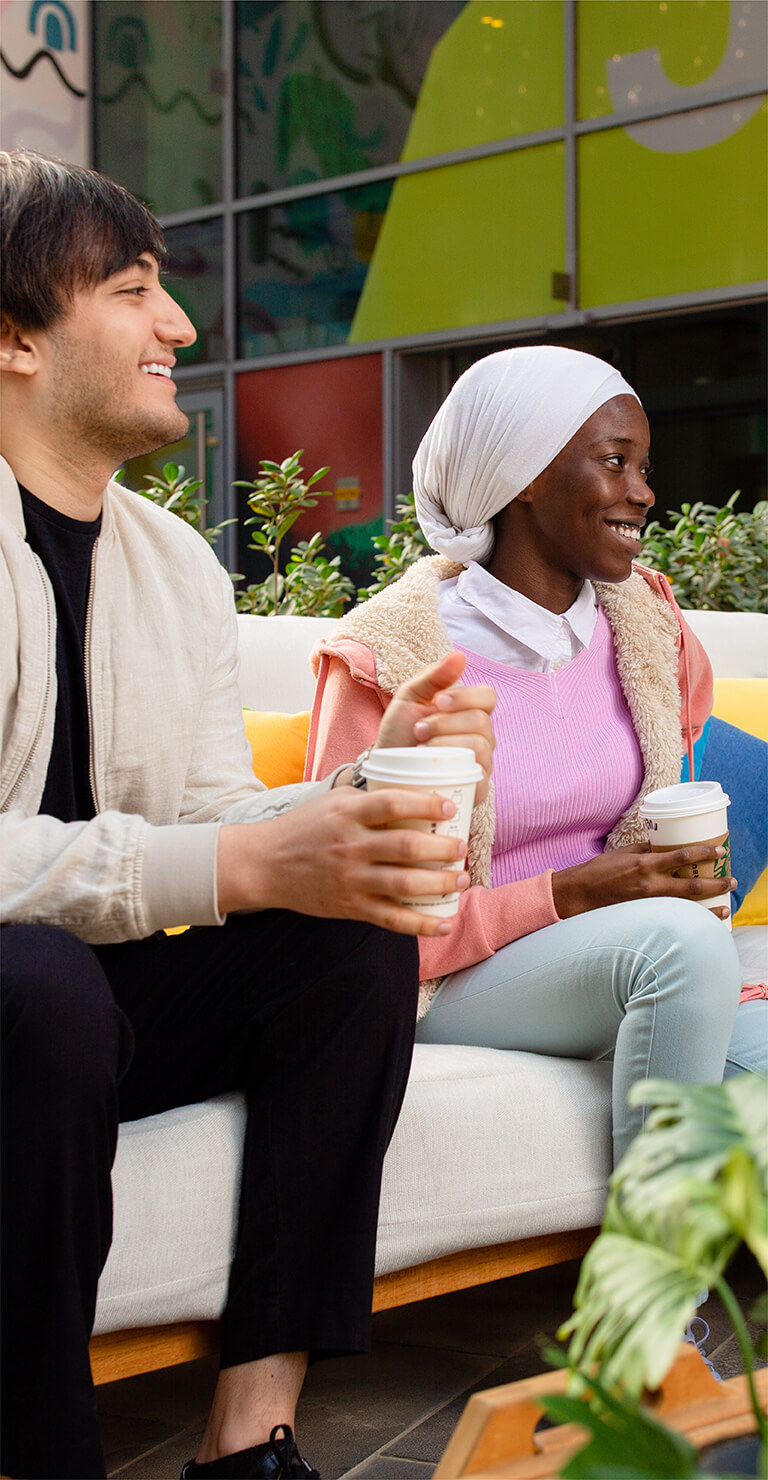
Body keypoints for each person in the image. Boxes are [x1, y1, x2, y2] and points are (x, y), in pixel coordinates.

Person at [0, 150, 496, 1480]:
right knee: (43, 987)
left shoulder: (172, 566)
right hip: (27, 1000)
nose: (178, 327)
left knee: (347, 936)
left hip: (88, 1004)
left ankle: (250, 1435)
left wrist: (357, 788)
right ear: (14, 338)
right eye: (135, 289)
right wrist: (231, 855)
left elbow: (218, 814)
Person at [308, 345, 766, 1169]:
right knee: (680, 945)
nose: (644, 492)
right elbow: (359, 924)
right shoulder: (391, 661)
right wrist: (572, 894)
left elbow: (673, 798)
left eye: (645, 465)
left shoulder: (651, 631)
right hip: (452, 981)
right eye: (614, 461)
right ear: (522, 474)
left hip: (638, 960)